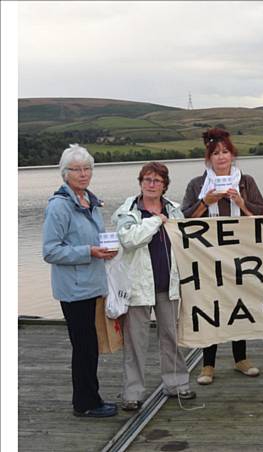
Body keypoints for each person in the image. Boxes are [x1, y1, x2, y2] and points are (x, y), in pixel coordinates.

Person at [182, 128, 263, 385]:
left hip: (240, 253)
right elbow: (183, 220)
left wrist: (242, 204)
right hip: (206, 256)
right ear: (208, 159)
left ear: (233, 155)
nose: (221, 157)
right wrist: (204, 203)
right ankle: (208, 364)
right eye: (216, 153)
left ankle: (240, 358)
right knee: (210, 306)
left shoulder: (246, 181)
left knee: (238, 304)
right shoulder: (197, 185)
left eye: (225, 152)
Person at [42, 144, 118, 418]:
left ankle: (91, 398)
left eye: (87, 169)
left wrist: (106, 248)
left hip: (91, 285)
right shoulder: (60, 207)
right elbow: (50, 251)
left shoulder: (89, 201)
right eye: (77, 170)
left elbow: (91, 239)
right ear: (65, 173)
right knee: (83, 348)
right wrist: (89, 252)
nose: (84, 174)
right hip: (74, 290)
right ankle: (85, 404)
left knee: (89, 347)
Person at [112, 162, 196, 411]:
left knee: (171, 336)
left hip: (168, 286)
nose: (151, 184)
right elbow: (128, 239)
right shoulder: (127, 210)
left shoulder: (175, 210)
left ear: (164, 185)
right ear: (140, 183)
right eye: (147, 179)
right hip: (137, 288)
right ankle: (132, 393)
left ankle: (177, 384)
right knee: (135, 342)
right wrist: (156, 221)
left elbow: (186, 242)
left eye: (157, 181)